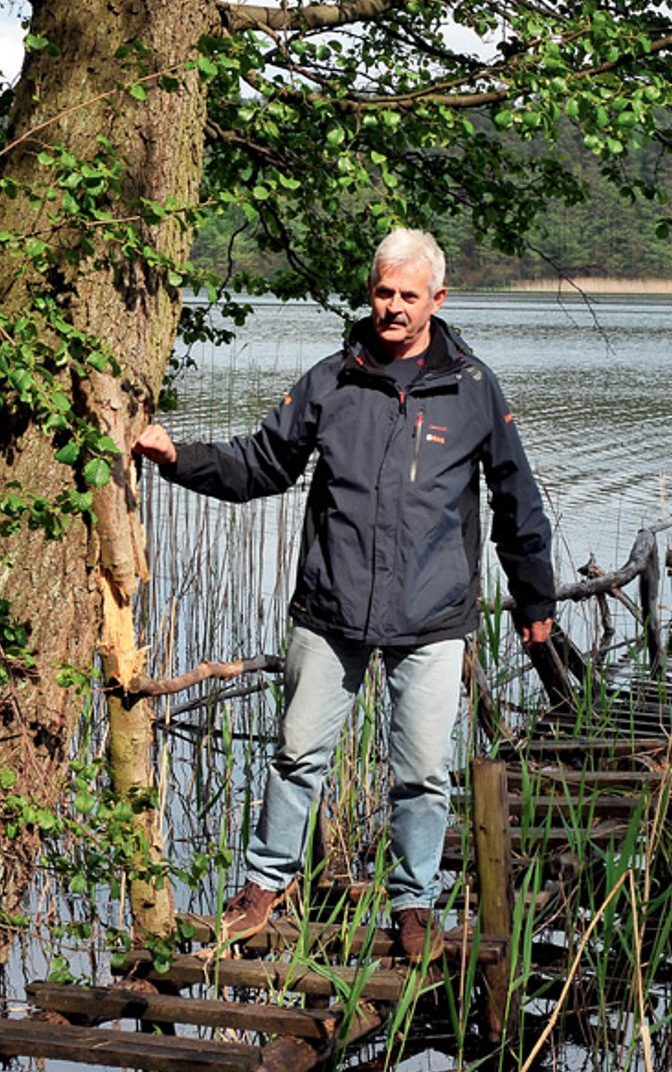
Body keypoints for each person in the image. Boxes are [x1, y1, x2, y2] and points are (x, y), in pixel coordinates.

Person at [132, 228, 556, 964]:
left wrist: (535, 600)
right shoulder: (332, 378)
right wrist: (177, 457)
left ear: (438, 300)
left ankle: (413, 902)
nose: (393, 307)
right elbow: (259, 465)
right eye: (383, 292)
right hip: (330, 610)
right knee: (298, 755)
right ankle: (264, 887)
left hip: (432, 615)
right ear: (372, 292)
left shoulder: (475, 388)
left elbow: (518, 501)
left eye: (409, 296)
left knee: (422, 773)